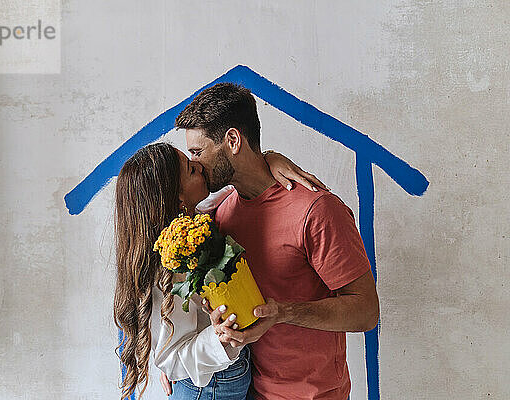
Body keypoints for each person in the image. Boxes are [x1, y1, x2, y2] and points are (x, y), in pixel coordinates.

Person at [174, 82, 380, 400]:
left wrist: (282, 313)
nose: (195, 164)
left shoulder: (316, 210)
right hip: (248, 391)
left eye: (197, 153)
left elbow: (366, 312)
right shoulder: (220, 215)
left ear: (232, 140)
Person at [113, 142, 327, 400]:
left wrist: (268, 159)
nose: (201, 168)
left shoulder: (196, 217)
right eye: (192, 170)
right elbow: (172, 360)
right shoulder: (161, 271)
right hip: (210, 387)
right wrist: (219, 337)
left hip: (233, 373)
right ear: (178, 198)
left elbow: (229, 184)